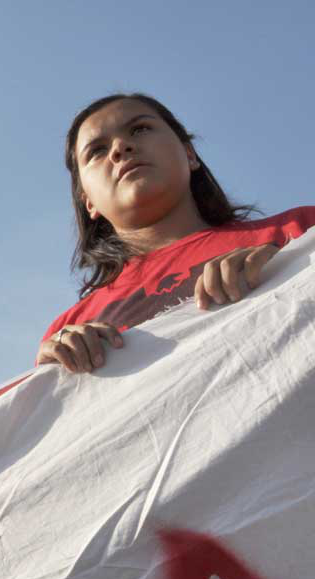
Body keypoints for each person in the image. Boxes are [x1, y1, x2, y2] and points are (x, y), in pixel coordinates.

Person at [38, 92, 315, 373]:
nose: (120, 147)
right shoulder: (66, 330)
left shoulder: (301, 228)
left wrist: (292, 266)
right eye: (97, 150)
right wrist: (53, 372)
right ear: (88, 201)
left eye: (140, 129)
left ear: (189, 154)